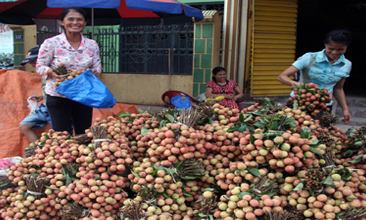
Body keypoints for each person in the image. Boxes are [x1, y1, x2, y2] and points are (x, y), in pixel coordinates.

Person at [36, 7, 102, 135]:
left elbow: (98, 67)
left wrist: (94, 72)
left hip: (83, 95)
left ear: (85, 22)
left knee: (83, 133)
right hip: (58, 95)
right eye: (70, 19)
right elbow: (40, 66)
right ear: (62, 22)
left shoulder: (92, 44)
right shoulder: (51, 43)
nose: (75, 23)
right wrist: (51, 72)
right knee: (62, 135)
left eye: (79, 19)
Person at [277, 29, 352, 124]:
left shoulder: (347, 64)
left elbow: (338, 88)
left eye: (340, 49)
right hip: (300, 103)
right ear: (325, 45)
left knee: (319, 133)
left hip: (323, 107)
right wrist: (299, 85)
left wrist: (345, 109)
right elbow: (282, 76)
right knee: (293, 132)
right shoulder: (309, 58)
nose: (335, 52)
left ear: (346, 47)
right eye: (331, 48)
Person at [19, 47, 53, 144]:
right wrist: (42, 96)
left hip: (56, 108)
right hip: (46, 108)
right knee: (24, 126)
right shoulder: (43, 73)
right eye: (31, 63)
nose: (32, 65)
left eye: (34, 62)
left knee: (59, 133)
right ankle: (40, 149)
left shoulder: (54, 72)